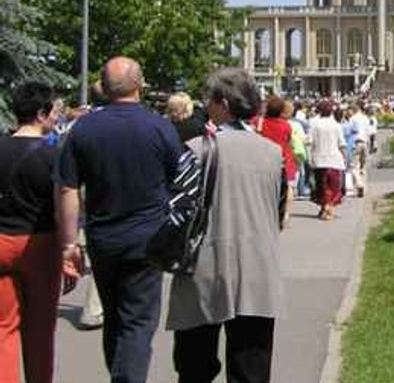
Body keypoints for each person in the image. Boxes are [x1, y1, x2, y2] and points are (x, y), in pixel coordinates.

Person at [56, 57, 183, 383]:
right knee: (138, 323)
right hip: (148, 239)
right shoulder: (160, 127)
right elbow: (180, 181)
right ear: (140, 85)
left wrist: (69, 243)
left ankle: (120, 374)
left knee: (114, 317)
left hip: (103, 239)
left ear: (103, 86)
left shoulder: (82, 128)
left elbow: (68, 188)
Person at [167, 67, 285, 383]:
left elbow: (178, 210)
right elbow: (278, 212)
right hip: (258, 270)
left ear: (223, 103)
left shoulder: (195, 151)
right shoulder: (274, 154)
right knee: (251, 369)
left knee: (194, 368)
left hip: (203, 271)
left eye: (210, 100)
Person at [0, 82, 73, 383]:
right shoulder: (53, 156)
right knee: (40, 328)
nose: (56, 117)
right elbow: (62, 204)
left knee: (3, 327)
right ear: (41, 114)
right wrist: (70, 248)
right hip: (40, 244)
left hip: (2, 241)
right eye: (53, 111)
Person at [255, 95, 297, 227]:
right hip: (283, 158)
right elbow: (289, 142)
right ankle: (285, 214)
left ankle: (266, 214)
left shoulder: (259, 122)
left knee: (265, 188)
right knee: (288, 188)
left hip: (264, 159)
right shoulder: (286, 126)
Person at [306, 100, 346, 220]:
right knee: (333, 186)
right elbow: (341, 144)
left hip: (319, 159)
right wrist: (345, 157)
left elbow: (309, 141)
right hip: (334, 159)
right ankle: (329, 207)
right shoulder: (336, 125)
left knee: (321, 186)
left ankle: (324, 207)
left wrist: (309, 157)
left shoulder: (314, 124)